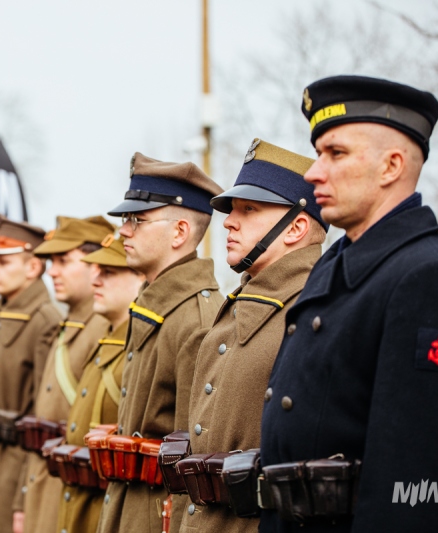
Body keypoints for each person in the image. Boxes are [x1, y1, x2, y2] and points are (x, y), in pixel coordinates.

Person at [259, 75, 438, 532]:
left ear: (391, 166)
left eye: (335, 154)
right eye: (318, 154)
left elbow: (423, 486)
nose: (314, 172)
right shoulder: (336, 264)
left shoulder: (426, 278)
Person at [175, 139, 327, 533]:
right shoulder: (238, 305)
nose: (228, 221)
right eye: (232, 209)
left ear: (295, 227)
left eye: (249, 209)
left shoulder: (318, 310)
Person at [96, 152, 225, 533]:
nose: (123, 230)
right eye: (125, 219)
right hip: (129, 510)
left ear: (180, 232)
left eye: (137, 219)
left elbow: (194, 462)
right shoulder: (157, 306)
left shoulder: (197, 321)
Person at [16, 216, 114, 533]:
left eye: (63, 260)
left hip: (75, 490)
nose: (52, 271)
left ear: (97, 263)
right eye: (51, 261)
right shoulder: (68, 324)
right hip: (44, 485)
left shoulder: (106, 329)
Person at [0, 214, 62, 533]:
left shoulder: (45, 320)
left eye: (2, 262)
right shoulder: (2, 312)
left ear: (33, 267)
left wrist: (24, 498)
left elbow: (44, 417)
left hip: (18, 470)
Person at [55, 234, 145, 533]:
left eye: (109, 273)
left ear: (140, 278)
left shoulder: (137, 349)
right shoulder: (107, 340)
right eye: (95, 272)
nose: (96, 281)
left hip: (109, 510)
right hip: (81, 506)